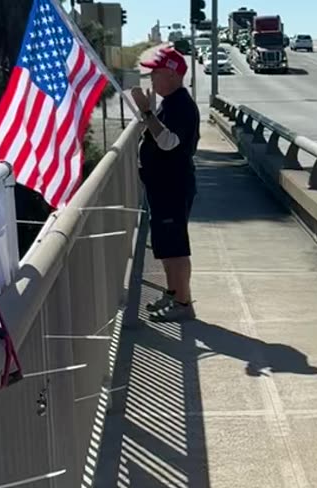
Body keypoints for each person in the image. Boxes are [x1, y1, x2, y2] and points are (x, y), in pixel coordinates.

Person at [133, 47, 201, 323]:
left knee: (175, 248)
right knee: (165, 245)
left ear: (173, 75)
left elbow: (169, 142)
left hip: (172, 186)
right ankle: (173, 294)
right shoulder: (170, 103)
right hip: (162, 186)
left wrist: (147, 113)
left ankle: (183, 303)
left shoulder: (181, 105)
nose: (152, 79)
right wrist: (149, 113)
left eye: (156, 73)